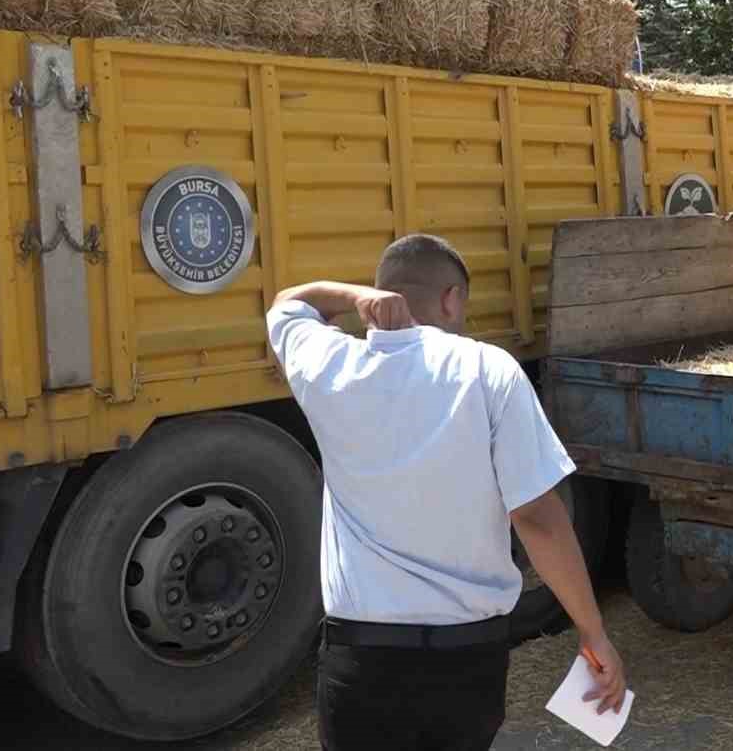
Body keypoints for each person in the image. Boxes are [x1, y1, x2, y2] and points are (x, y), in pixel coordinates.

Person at [266, 234, 626, 751]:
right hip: (466, 659)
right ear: (452, 297)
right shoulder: (486, 368)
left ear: (382, 291)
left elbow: (288, 303)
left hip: (360, 658)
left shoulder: (329, 363)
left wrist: (352, 297)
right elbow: (538, 519)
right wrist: (593, 633)